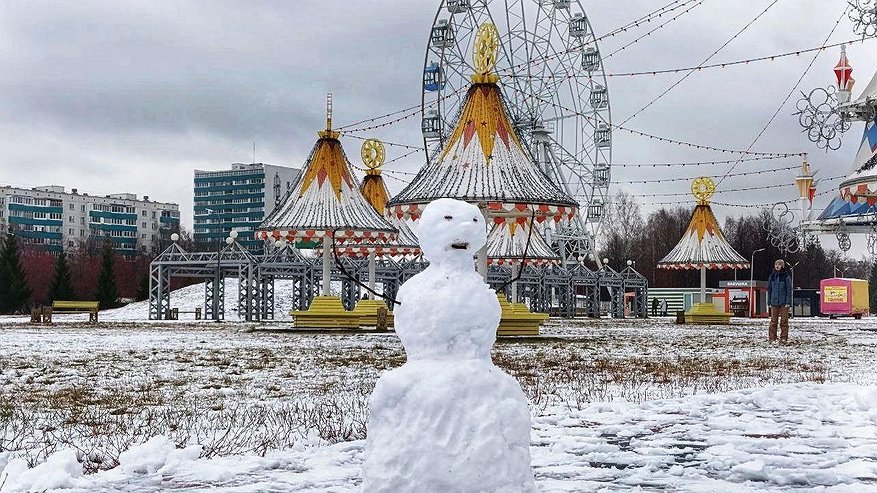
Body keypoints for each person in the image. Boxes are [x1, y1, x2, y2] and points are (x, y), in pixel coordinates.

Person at [767, 258, 793, 343]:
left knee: (784, 321)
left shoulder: (786, 277)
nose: (777, 266)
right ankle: (772, 338)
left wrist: (788, 302)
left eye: (779, 264)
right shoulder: (772, 276)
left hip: (784, 303)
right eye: (776, 264)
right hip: (774, 302)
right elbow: (770, 290)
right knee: (773, 321)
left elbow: (789, 290)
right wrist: (769, 302)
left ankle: (783, 338)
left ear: (782, 266)